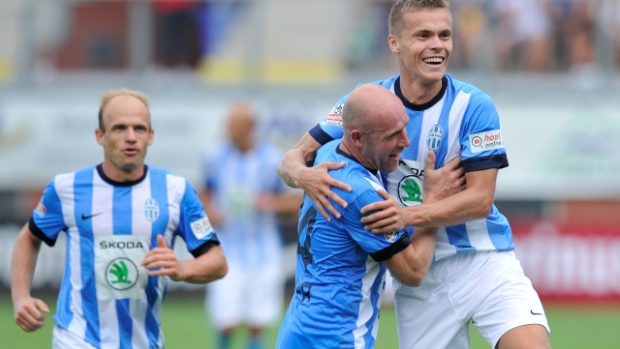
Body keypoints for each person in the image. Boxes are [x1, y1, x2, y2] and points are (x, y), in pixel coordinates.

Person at [277, 1, 550, 348]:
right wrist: (306, 177)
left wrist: (407, 213)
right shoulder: (365, 103)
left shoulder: (473, 105)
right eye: (423, 35)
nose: (437, 44)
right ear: (395, 43)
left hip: (484, 260)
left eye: (444, 35)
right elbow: (291, 160)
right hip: (419, 275)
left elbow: (481, 200)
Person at [11, 88, 228, 348]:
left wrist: (183, 268)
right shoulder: (66, 188)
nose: (131, 137)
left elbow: (218, 262)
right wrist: (21, 297)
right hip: (77, 338)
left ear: (151, 136)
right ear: (100, 136)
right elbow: (29, 238)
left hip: (143, 341)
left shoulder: (176, 190)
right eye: (119, 128)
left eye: (139, 128)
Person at [275, 84, 463, 349]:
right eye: (393, 135)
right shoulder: (361, 194)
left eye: (405, 128)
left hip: (298, 329)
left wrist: (300, 174)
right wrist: (433, 201)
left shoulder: (326, 152)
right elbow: (413, 271)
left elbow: (291, 158)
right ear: (357, 138)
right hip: (335, 337)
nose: (406, 142)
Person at [200, 102, 301, 349]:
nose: (229, 130)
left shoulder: (272, 158)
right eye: (229, 125)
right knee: (225, 318)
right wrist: (211, 212)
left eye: (235, 125)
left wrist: (269, 203)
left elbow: (296, 202)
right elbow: (205, 191)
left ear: (250, 127)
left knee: (258, 320)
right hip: (227, 250)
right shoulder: (215, 156)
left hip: (264, 251)